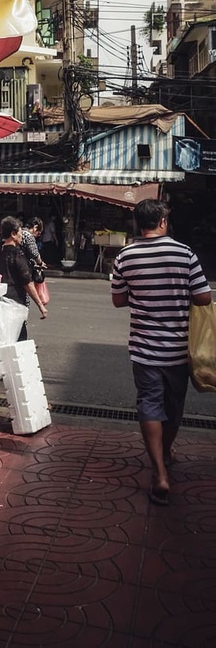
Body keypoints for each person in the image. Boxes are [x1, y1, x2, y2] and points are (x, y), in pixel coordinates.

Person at [111, 199, 211, 506]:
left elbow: (118, 300)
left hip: (144, 349)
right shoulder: (184, 253)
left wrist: (142, 294)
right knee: (174, 406)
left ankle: (159, 473)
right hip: (178, 351)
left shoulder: (125, 255)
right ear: (163, 221)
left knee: (149, 405)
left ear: (139, 224)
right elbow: (204, 297)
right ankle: (166, 452)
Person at [0, 216, 48, 340]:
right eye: (20, 233)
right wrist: (40, 305)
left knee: (1, 339)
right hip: (14, 303)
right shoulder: (17, 254)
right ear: (13, 234)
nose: (22, 237)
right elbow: (27, 282)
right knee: (18, 340)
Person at [20, 216, 50, 306]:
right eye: (38, 233)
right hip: (24, 268)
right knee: (25, 296)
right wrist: (40, 263)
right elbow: (35, 253)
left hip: (17, 266)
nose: (37, 235)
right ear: (35, 227)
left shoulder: (19, 232)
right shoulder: (28, 235)